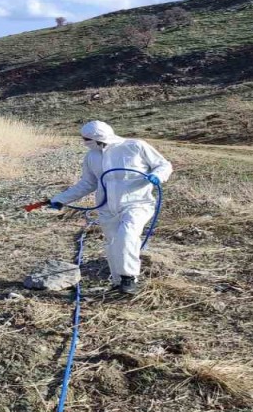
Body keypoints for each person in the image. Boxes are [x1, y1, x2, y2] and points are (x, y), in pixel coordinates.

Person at [44, 121, 172, 295]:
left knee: (127, 234)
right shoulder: (91, 156)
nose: (84, 142)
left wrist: (157, 175)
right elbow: (87, 184)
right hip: (106, 207)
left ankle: (129, 278)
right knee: (113, 242)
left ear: (99, 138)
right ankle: (118, 282)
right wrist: (60, 200)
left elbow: (164, 165)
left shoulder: (135, 146)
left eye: (87, 139)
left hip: (137, 203)